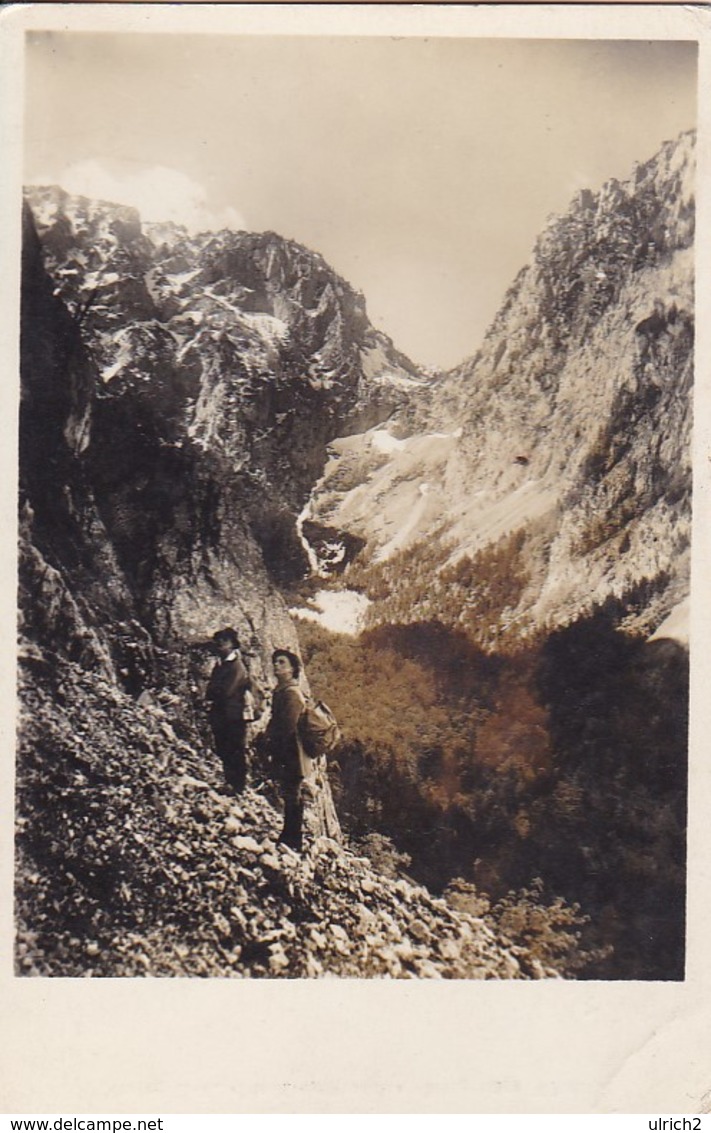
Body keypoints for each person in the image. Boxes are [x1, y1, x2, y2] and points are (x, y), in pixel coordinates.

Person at [267, 649, 312, 852]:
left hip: (292, 753)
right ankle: (290, 836)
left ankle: (293, 839)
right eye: (275, 662)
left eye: (282, 662)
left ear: (292, 669)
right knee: (290, 794)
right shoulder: (283, 690)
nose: (277, 666)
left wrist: (274, 750)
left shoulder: (291, 694)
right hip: (289, 752)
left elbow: (288, 728)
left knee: (292, 794)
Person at [205, 628, 252, 793]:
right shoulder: (222, 665)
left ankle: (237, 785)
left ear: (232, 644)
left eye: (224, 641)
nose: (220, 645)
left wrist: (213, 693)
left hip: (233, 716)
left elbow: (225, 691)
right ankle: (230, 782)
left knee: (234, 749)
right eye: (219, 641)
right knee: (224, 748)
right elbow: (211, 690)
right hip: (223, 715)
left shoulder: (236, 666)